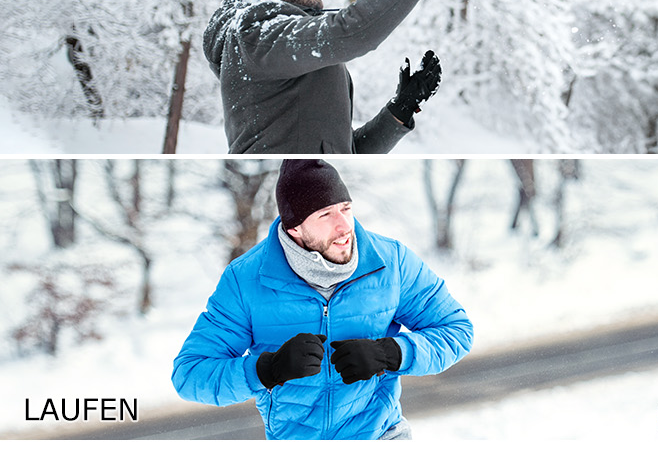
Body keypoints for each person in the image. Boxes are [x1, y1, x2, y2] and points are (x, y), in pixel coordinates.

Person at [172, 159, 473, 440]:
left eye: (345, 208)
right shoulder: (246, 280)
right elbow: (190, 374)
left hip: (380, 435)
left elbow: (456, 330)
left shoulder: (391, 262)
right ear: (295, 228)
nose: (344, 226)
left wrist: (391, 353)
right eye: (325, 215)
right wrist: (268, 369)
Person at [203, 0, 494, 153]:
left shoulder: (281, 45)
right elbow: (351, 32)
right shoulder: (254, 34)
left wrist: (399, 110)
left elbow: (342, 152)